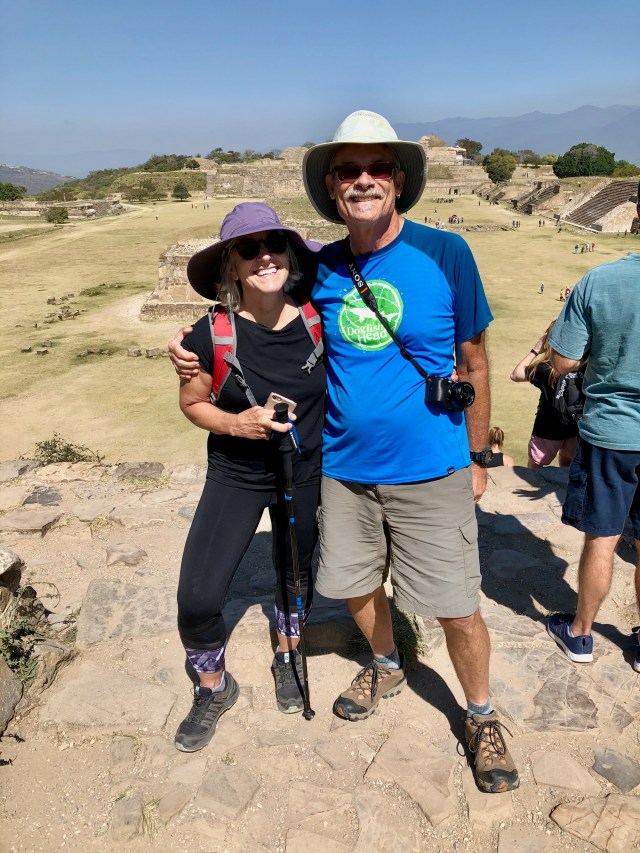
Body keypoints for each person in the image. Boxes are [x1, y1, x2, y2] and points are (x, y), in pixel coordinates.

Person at [170, 110, 519, 793]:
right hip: (344, 470)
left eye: (377, 168)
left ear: (399, 179)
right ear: (332, 186)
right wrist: (188, 350)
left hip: (433, 464)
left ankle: (480, 713)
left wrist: (478, 457)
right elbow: (253, 307)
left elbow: (474, 361)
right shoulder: (320, 267)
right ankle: (387, 664)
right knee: (356, 585)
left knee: (455, 602)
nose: (363, 180)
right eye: (349, 171)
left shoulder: (445, 254)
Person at [173, 203, 326, 753]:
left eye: (274, 245)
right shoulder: (208, 335)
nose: (265, 256)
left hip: (305, 472)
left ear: (289, 255)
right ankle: (213, 684)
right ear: (231, 266)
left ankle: (288, 655)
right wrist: (236, 422)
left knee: (295, 577)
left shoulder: (319, 317)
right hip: (235, 474)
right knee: (197, 594)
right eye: (248, 248)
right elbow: (193, 404)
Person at [546, 185, 640, 670]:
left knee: (602, 537)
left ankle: (581, 633)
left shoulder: (601, 280)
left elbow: (562, 360)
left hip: (612, 433)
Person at [510, 323, 581, 468]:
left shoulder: (545, 369)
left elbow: (515, 375)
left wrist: (535, 350)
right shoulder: (584, 365)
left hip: (547, 429)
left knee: (535, 468)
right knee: (567, 463)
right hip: (575, 428)